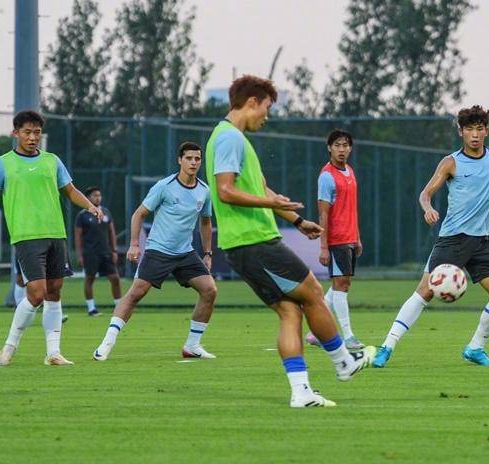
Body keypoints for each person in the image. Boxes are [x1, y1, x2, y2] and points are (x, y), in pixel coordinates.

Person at [206, 75, 374, 408]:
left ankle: (301, 392)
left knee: (290, 312)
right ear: (251, 102)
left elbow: (262, 190)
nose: (267, 116)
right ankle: (344, 362)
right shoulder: (229, 138)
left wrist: (297, 221)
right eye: (267, 108)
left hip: (242, 245)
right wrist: (269, 203)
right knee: (313, 292)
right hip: (254, 241)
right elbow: (225, 191)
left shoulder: (231, 139)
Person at [372, 105, 489, 368]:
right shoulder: (451, 162)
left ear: (486, 131)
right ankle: (386, 347)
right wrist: (428, 208)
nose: (474, 134)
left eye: (479, 129)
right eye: (469, 129)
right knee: (424, 292)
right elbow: (425, 193)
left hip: (482, 241)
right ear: (460, 132)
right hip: (453, 239)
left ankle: (475, 348)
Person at [0, 109, 102, 366]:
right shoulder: (2, 164)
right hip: (26, 236)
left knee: (54, 291)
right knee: (36, 293)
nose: (33, 137)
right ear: (16, 133)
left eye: (37, 132)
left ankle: (53, 353)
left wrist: (89, 205)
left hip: (56, 233)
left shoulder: (52, 161)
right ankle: (9, 347)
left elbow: (70, 190)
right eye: (27, 132)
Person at [93, 142, 218, 361]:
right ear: (180, 160)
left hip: (185, 253)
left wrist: (207, 253)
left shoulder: (204, 190)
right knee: (135, 294)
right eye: (189, 158)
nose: (193, 162)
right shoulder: (164, 186)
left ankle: (192, 346)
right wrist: (134, 244)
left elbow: (206, 222)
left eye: (197, 159)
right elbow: (139, 214)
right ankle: (106, 343)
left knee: (210, 290)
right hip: (158, 250)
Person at [307, 129, 365, 350]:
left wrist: (357, 237)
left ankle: (315, 333)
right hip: (336, 239)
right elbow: (323, 213)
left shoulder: (350, 171)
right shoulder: (326, 176)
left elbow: (352, 208)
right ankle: (348, 336)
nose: (342, 149)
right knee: (341, 285)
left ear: (350, 148)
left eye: (345, 145)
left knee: (342, 283)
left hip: (349, 237)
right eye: (337, 145)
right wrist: (323, 246)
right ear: (329, 148)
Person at [74, 186, 122, 316]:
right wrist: (79, 255)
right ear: (88, 198)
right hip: (90, 253)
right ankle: (91, 309)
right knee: (89, 279)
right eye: (95, 195)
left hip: (105, 252)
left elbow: (111, 232)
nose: (98, 198)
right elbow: (78, 236)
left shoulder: (105, 211)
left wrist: (114, 250)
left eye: (99, 195)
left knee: (115, 278)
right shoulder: (82, 215)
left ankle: (119, 307)